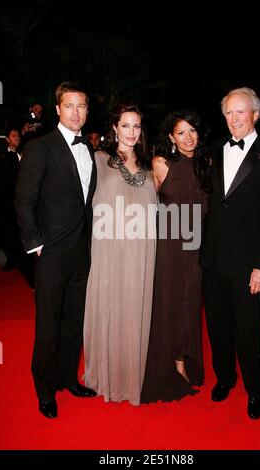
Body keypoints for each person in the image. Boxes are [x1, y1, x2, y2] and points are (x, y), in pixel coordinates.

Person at [200, 87, 260, 419]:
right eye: (229, 113)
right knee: (218, 327)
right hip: (213, 260)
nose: (234, 119)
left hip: (249, 264)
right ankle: (225, 378)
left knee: (250, 332)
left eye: (241, 112)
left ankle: (256, 389)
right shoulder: (215, 150)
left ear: (255, 114)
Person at [15, 81, 97, 418]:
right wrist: (35, 244)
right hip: (50, 252)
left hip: (81, 250)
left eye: (82, 106)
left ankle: (67, 378)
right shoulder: (40, 147)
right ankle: (45, 389)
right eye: (70, 106)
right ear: (58, 109)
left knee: (73, 321)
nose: (76, 112)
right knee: (48, 324)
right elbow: (24, 200)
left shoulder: (90, 149)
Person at [84, 103, 157, 406]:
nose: (131, 132)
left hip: (143, 250)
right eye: (125, 125)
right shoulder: (98, 160)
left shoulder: (152, 165)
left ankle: (132, 379)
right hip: (110, 249)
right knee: (110, 307)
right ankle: (107, 376)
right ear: (114, 128)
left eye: (136, 126)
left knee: (135, 309)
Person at [140, 110, 211, 404]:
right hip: (167, 250)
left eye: (192, 130)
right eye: (181, 132)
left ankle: (183, 363)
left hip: (195, 250)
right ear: (171, 137)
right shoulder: (161, 164)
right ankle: (166, 365)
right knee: (167, 305)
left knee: (189, 304)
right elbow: (145, 208)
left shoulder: (206, 164)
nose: (188, 138)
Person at [0, 127, 34, 287]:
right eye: (13, 136)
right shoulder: (2, 158)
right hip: (6, 209)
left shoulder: (24, 156)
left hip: (21, 207)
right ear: (7, 139)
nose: (17, 138)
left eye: (18, 135)